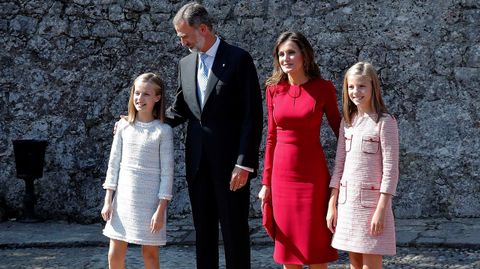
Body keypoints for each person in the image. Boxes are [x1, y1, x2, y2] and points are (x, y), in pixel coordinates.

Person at [166, 2, 263, 269]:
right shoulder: (185, 64)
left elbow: (251, 116)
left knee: (234, 233)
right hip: (198, 165)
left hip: (232, 166)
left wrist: (244, 163)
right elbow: (179, 111)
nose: (182, 41)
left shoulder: (238, 59)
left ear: (204, 29)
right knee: (203, 234)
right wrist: (140, 120)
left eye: (184, 35)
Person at [258, 31, 340, 269]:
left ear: (305, 55)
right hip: (282, 179)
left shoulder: (323, 88)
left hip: (313, 178)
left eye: (291, 52)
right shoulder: (273, 90)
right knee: (288, 253)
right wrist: (266, 183)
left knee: (316, 251)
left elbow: (341, 130)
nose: (286, 58)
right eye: (281, 54)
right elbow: (271, 137)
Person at [326, 62, 399, 269]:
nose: (355, 92)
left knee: (370, 264)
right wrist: (332, 204)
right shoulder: (348, 122)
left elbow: (391, 170)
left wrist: (381, 210)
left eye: (361, 86)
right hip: (347, 205)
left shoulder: (385, 122)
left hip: (371, 206)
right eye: (350, 87)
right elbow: (339, 164)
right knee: (354, 263)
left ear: (373, 87)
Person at [101, 73, 174, 269]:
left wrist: (160, 211)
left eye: (146, 94)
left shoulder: (163, 131)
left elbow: (167, 174)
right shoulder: (123, 127)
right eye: (137, 93)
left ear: (157, 97)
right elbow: (113, 164)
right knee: (115, 253)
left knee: (149, 254)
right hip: (122, 202)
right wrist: (108, 201)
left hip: (150, 204)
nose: (140, 99)